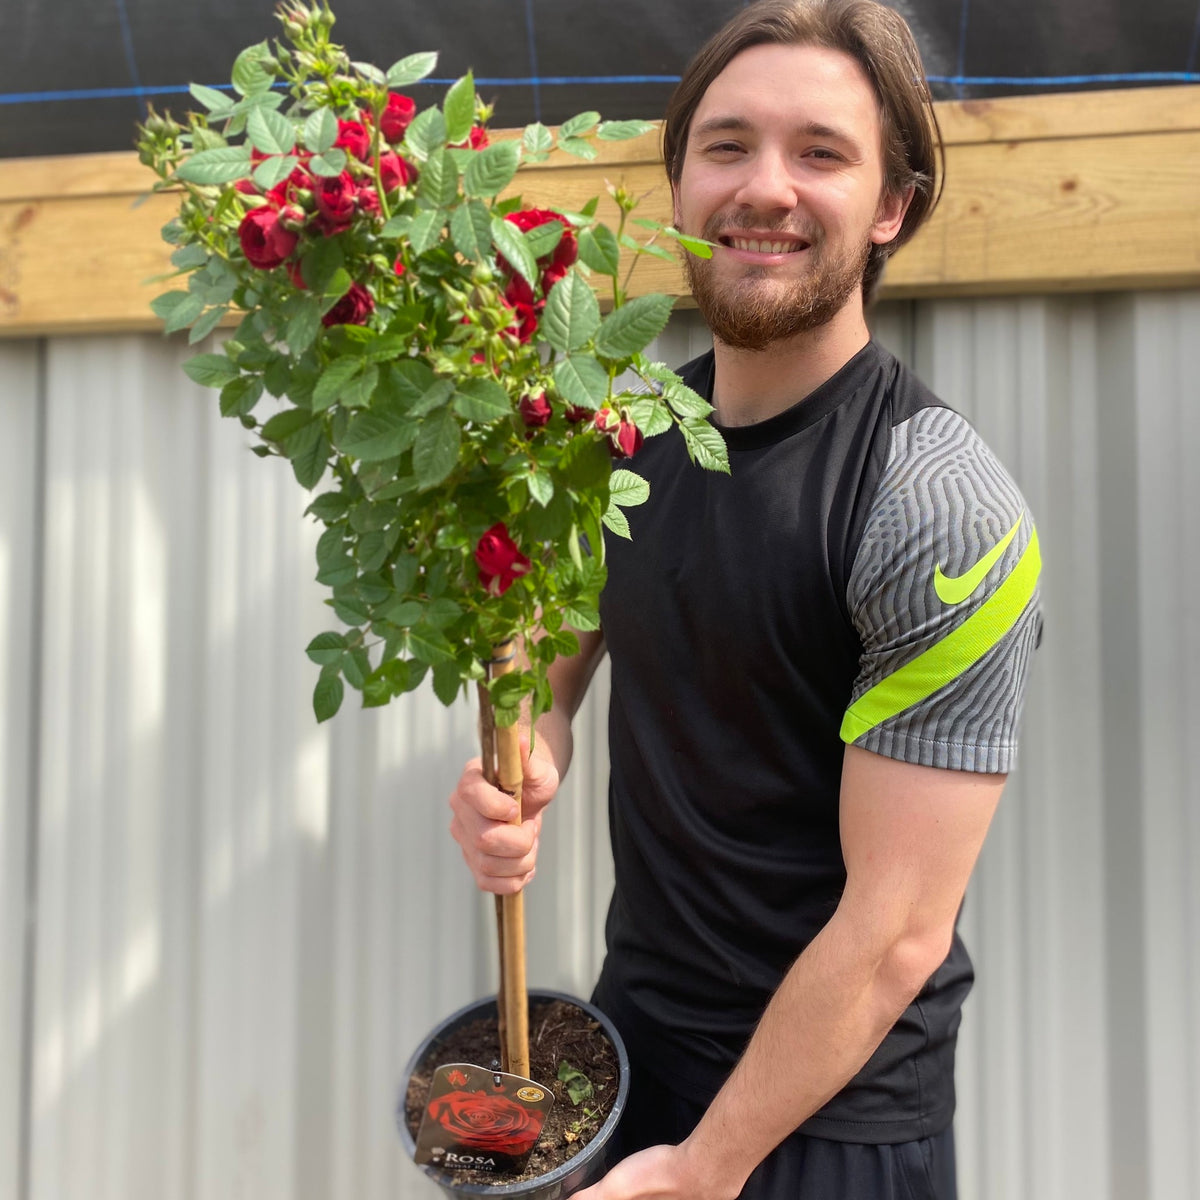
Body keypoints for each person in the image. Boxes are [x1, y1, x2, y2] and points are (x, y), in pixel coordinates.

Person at [448, 1, 1043, 1196]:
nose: (763, 187)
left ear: (891, 207)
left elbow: (894, 939)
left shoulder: (939, 509)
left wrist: (706, 1168)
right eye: (725, 147)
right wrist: (521, 764)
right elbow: (545, 673)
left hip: (826, 1124)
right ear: (677, 188)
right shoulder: (619, 440)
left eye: (819, 153)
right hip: (625, 1074)